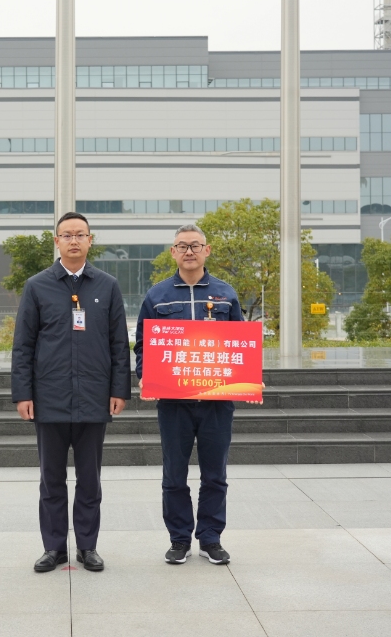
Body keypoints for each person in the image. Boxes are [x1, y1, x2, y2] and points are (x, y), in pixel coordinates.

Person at [12, 212, 131, 573]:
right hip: (49, 399)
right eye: (67, 235)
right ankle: (54, 548)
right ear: (57, 241)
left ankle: (87, 547)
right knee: (51, 480)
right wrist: (23, 394)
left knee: (89, 480)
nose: (74, 240)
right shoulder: (37, 286)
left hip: (94, 397)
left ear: (90, 240)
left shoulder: (107, 286)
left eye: (81, 234)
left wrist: (119, 390)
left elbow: (119, 344)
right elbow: (23, 345)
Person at [134, 224, 244, 566]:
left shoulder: (226, 294)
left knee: (215, 475)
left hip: (217, 403)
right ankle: (179, 539)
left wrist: (248, 376)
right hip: (173, 404)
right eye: (182, 246)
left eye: (195, 245)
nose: (189, 251)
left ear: (206, 250)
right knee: (174, 475)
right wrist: (145, 376)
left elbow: (240, 344)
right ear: (173, 252)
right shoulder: (157, 296)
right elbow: (143, 346)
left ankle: (211, 538)